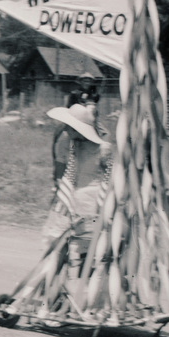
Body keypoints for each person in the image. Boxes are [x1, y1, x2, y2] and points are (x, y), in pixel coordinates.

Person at [43, 103, 113, 247]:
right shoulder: (64, 141)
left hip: (90, 200)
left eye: (70, 126)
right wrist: (61, 189)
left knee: (84, 244)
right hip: (68, 195)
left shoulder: (102, 148)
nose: (66, 129)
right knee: (55, 241)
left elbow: (109, 176)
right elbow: (60, 169)